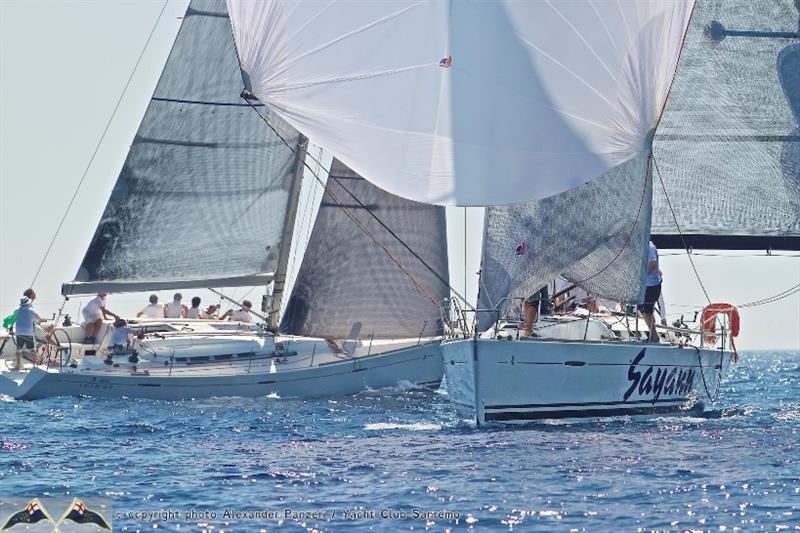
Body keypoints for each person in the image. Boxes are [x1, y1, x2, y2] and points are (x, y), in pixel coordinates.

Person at [13, 295, 49, 370]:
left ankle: (18, 365)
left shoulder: (17, 310)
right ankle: (35, 365)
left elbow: (14, 318)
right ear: (28, 303)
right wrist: (44, 319)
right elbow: (39, 319)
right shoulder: (30, 311)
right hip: (28, 333)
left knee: (18, 349)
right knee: (32, 349)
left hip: (19, 333)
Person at [637, 240, 662, 342]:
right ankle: (652, 334)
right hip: (646, 286)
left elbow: (653, 262)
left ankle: (654, 337)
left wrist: (643, 276)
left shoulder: (650, 247)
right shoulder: (643, 246)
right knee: (643, 310)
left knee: (647, 311)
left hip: (651, 285)